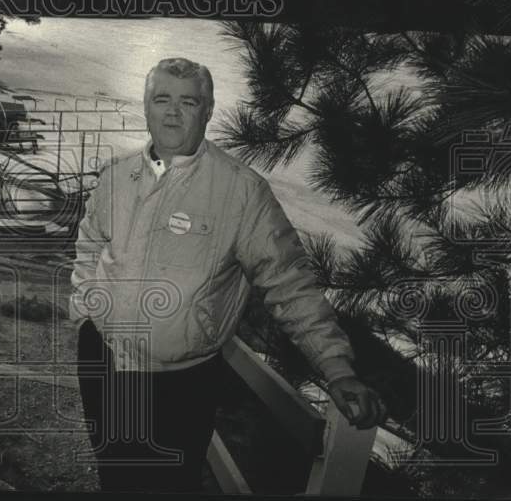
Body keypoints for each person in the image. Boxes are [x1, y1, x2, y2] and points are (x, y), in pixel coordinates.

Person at [70, 57, 386, 493]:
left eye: (189, 102)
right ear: (146, 106)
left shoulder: (241, 191)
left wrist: (335, 367)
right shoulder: (116, 176)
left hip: (180, 383)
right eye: (162, 99)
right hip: (104, 361)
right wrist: (84, 310)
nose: (173, 112)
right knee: (116, 479)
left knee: (168, 488)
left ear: (209, 110)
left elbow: (289, 283)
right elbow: (89, 244)